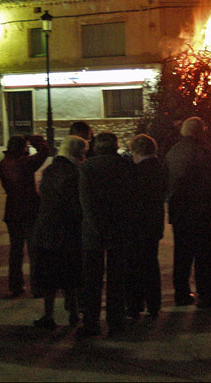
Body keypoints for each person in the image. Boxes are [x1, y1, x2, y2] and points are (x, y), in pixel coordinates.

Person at [165, 117, 211, 309]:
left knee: (182, 255)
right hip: (197, 211)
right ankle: (206, 296)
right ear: (200, 131)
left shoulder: (174, 151)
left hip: (179, 212)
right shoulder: (201, 152)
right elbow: (209, 182)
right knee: (204, 255)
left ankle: (181, 293)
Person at [78, 132, 135, 336]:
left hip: (94, 232)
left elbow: (86, 200)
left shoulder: (88, 167)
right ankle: (116, 321)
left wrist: (95, 226)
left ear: (96, 147)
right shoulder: (127, 166)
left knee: (92, 280)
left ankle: (91, 322)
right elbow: (131, 199)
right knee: (117, 279)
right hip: (119, 229)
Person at [31, 135, 89, 329]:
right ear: (79, 152)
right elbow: (76, 204)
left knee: (49, 276)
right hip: (68, 230)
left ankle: (48, 315)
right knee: (71, 274)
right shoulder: (76, 172)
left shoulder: (50, 170)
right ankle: (73, 314)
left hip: (47, 229)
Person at [0, 134, 50, 298]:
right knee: (35, 250)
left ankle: (15, 285)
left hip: (12, 209)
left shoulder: (2, 164)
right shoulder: (25, 163)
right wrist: (36, 141)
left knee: (16, 251)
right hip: (29, 209)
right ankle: (37, 286)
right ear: (22, 148)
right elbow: (45, 152)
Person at [126, 134, 167, 320]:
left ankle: (135, 304)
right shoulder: (159, 168)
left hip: (137, 224)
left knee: (135, 265)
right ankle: (153, 304)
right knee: (151, 263)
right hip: (154, 222)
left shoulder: (137, 171)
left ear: (137, 151)